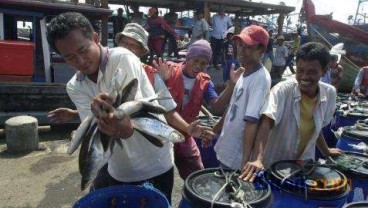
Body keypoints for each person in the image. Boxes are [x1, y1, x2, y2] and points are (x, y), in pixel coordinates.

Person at [46, 12, 175, 202]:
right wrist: (103, 119)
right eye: (70, 57)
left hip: (155, 162)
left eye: (83, 51)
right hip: (120, 169)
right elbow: (98, 131)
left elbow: (133, 112)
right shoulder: (75, 86)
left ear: (96, 38)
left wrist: (118, 121)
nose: (80, 61)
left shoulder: (123, 57)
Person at [241, 42, 342, 182]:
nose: (304, 77)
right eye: (300, 71)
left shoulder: (329, 93)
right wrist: (258, 159)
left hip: (303, 165)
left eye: (312, 72)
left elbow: (315, 127)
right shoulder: (283, 90)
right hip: (273, 164)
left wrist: (326, 151)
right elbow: (266, 121)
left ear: (324, 71)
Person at [161, 39, 244, 179]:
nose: (198, 65)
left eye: (204, 63)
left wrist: (231, 85)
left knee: (196, 174)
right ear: (188, 57)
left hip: (186, 132)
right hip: (162, 131)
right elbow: (162, 106)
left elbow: (217, 105)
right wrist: (161, 79)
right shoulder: (168, 70)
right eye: (196, 60)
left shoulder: (205, 81)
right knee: (163, 172)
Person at [213, 25, 271, 181]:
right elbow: (232, 107)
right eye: (240, 45)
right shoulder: (244, 72)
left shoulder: (260, 79)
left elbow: (252, 123)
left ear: (261, 50)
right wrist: (215, 129)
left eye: (249, 47)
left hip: (236, 157)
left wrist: (244, 162)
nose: (242, 50)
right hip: (227, 146)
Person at [210, 5, 232, 70]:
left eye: (222, 9)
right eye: (220, 9)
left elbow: (230, 26)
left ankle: (218, 64)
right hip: (214, 36)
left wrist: (228, 35)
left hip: (223, 37)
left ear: (224, 10)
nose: (221, 10)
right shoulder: (214, 16)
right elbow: (210, 23)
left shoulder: (227, 18)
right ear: (218, 10)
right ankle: (211, 64)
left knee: (221, 51)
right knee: (212, 50)